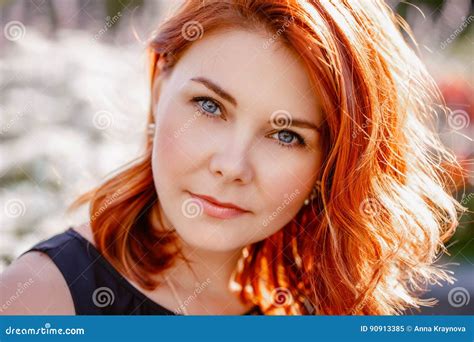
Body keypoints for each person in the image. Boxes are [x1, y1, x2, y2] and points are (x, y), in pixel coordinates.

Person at [0, 0, 465, 315]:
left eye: (285, 135)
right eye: (210, 106)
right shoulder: (42, 299)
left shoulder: (316, 307)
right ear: (160, 86)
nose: (232, 165)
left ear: (331, 164)